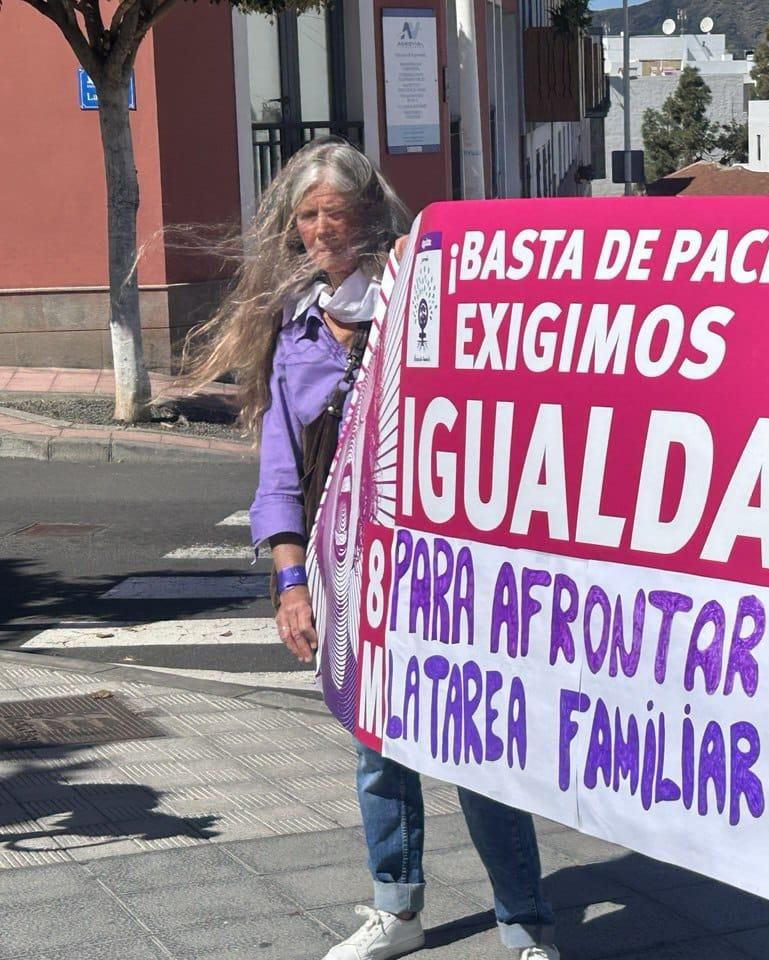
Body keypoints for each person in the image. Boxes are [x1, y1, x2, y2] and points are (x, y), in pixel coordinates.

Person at [187, 138, 560, 960]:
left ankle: (522, 919)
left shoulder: (423, 298)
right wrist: (290, 581)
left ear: (368, 215)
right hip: (346, 571)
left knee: (471, 743)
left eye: (336, 213)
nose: (321, 230)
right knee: (375, 742)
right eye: (307, 216)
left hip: (438, 564)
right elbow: (281, 470)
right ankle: (396, 908)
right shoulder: (291, 329)